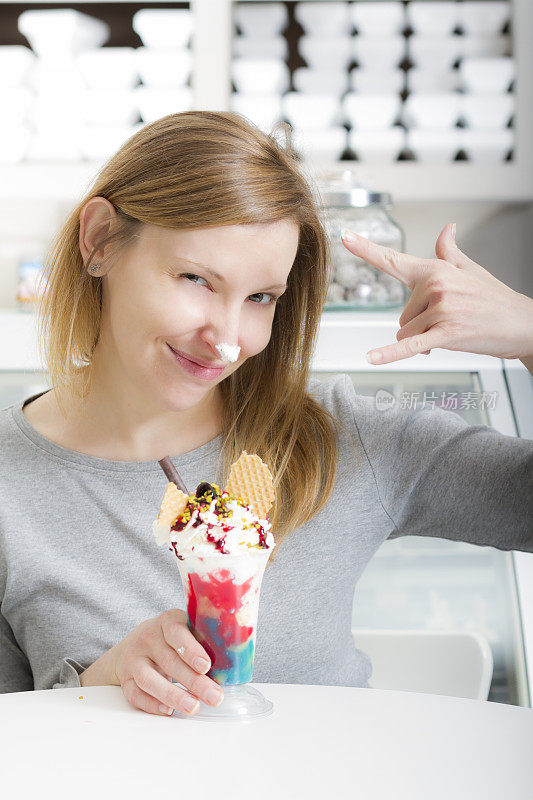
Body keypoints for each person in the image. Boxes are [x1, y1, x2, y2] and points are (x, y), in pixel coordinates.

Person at [0, 112, 531, 718]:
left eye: (260, 298)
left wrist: (531, 335)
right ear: (98, 240)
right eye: (196, 278)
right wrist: (94, 688)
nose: (227, 338)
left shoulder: (343, 438)